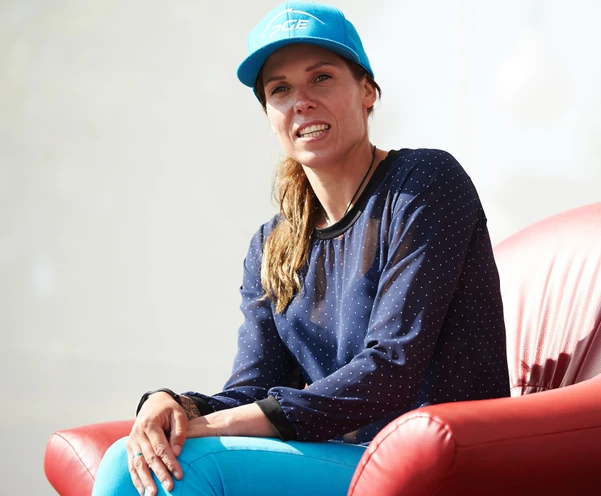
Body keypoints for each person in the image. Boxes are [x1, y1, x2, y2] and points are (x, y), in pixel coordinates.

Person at [93, 2, 509, 495]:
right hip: (346, 460)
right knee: (127, 460)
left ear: (367, 92)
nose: (302, 102)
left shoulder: (424, 183)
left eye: (322, 78)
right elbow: (252, 387)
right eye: (281, 90)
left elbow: (392, 369)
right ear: (270, 116)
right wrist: (175, 405)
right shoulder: (271, 244)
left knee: (185, 465)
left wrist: (210, 429)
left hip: (442, 464)